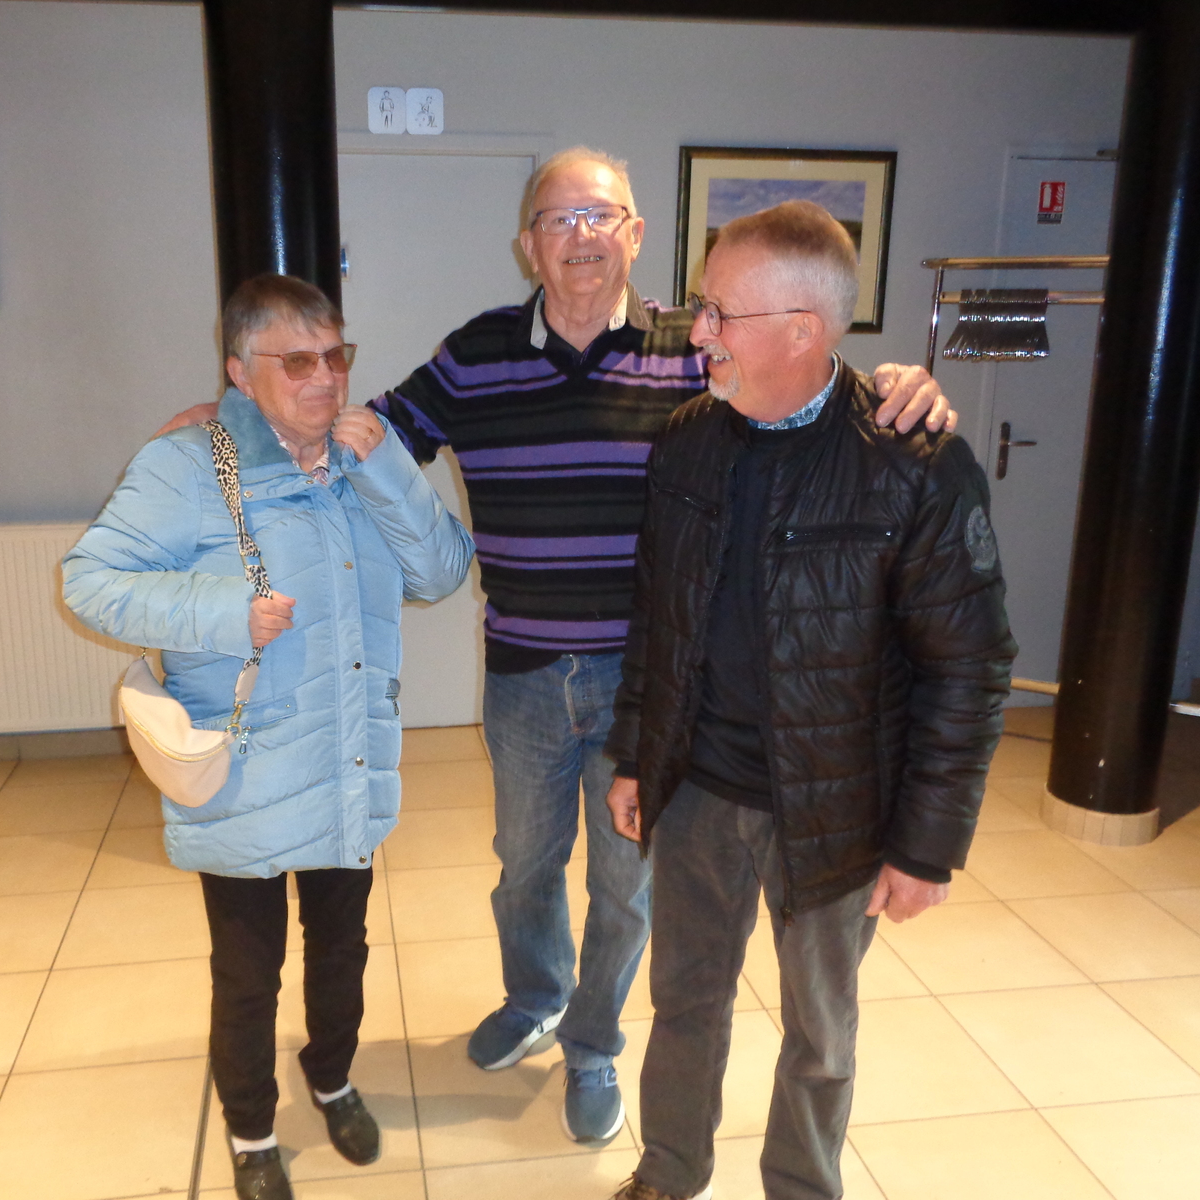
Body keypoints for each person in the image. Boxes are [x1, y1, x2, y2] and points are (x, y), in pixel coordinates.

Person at [160, 147, 956, 1143]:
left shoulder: (692, 345)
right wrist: (242, 417)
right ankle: (534, 997)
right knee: (524, 864)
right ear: (527, 244)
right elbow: (367, 434)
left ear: (634, 233)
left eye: (600, 215)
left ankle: (593, 1043)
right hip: (525, 677)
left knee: (625, 881)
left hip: (652, 685)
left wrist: (895, 384)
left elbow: (801, 391)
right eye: (557, 218)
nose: (580, 235)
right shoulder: (476, 353)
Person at [602, 201, 1016, 1200]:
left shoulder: (912, 462)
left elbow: (969, 667)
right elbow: (658, 614)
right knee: (684, 1000)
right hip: (699, 791)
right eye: (700, 308)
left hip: (835, 811)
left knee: (820, 1034)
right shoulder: (689, 440)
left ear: (801, 330)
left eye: (718, 314)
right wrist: (634, 756)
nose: (697, 333)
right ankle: (669, 1171)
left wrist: (925, 848)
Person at [64, 273, 474, 1200]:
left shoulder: (366, 457)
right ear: (239, 372)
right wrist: (224, 612)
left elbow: (443, 572)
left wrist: (392, 468)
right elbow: (91, 581)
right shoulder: (186, 465)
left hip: (347, 758)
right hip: (247, 768)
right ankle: (251, 1131)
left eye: (336, 355)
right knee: (248, 973)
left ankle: (332, 1079)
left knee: (343, 947)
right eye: (296, 361)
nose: (325, 378)